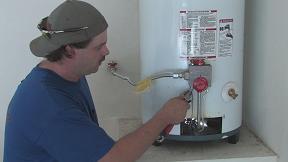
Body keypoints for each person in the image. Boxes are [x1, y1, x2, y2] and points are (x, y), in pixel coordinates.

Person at [4, 0, 189, 162]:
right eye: (99, 47)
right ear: (69, 50)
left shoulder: (67, 74)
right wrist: (164, 117)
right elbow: (113, 159)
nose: (106, 51)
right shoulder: (50, 105)